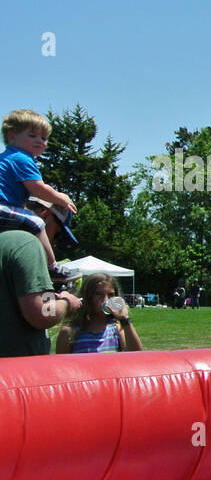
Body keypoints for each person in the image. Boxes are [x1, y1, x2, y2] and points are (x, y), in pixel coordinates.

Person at [0, 109, 78, 276]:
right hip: (2, 206)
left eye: (44, 138)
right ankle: (52, 268)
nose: (40, 141)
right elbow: (39, 189)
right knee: (36, 222)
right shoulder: (21, 158)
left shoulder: (8, 157)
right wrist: (61, 199)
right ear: (12, 136)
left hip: (5, 206)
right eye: (32, 135)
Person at [0, 197, 82, 356]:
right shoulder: (26, 243)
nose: (55, 242)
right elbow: (43, 313)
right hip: (17, 372)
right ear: (45, 215)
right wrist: (66, 302)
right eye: (58, 232)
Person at [55, 273, 142, 353]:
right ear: (87, 297)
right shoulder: (69, 332)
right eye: (99, 294)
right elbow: (62, 366)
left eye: (111, 295)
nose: (106, 300)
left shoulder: (116, 328)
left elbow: (136, 356)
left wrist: (125, 320)